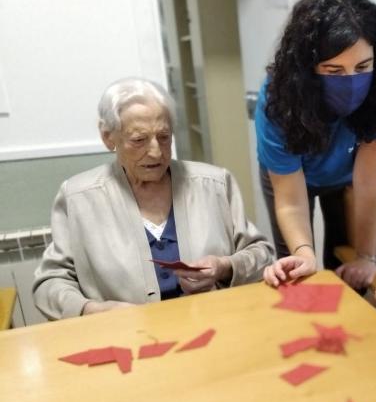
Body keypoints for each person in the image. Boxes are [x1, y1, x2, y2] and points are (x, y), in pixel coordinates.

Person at [33, 78, 274, 320]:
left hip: (214, 325)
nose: (156, 152)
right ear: (108, 137)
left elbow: (261, 254)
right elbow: (49, 283)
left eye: (164, 136)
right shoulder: (78, 198)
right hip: (127, 335)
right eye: (139, 140)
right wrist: (90, 309)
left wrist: (225, 267)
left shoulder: (214, 184)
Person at [256, 0, 376, 290]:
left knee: (346, 259)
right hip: (290, 179)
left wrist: (366, 257)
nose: (350, 82)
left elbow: (368, 183)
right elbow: (290, 201)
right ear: (308, 68)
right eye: (334, 71)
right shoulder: (280, 100)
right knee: (297, 270)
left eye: (362, 66)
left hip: (347, 175)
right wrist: (304, 253)